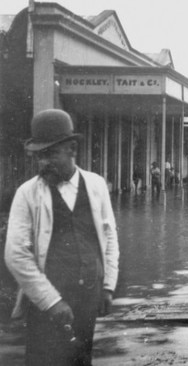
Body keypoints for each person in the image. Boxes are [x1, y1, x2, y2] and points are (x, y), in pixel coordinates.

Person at [4, 109, 119, 365]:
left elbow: (109, 238)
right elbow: (16, 255)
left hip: (88, 298)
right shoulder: (27, 194)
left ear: (72, 149)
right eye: (39, 156)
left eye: (51, 154)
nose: (43, 163)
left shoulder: (97, 185)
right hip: (46, 303)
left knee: (80, 359)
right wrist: (51, 302)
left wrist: (108, 286)